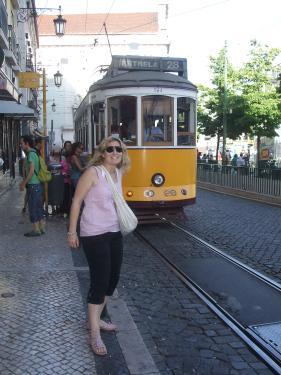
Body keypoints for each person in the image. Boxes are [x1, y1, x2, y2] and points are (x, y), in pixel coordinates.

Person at [67, 136, 130, 356]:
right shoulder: (93, 173)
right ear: (102, 152)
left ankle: (97, 319)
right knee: (100, 281)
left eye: (119, 149)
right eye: (110, 149)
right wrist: (72, 231)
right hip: (93, 234)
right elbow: (76, 201)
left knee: (112, 280)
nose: (115, 153)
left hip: (114, 232)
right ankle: (94, 332)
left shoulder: (118, 173)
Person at [19, 135, 45, 237]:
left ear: (27, 143)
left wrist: (23, 183)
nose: (21, 145)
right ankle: (41, 227)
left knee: (33, 207)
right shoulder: (34, 153)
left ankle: (36, 229)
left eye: (22, 143)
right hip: (37, 185)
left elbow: (30, 172)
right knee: (38, 207)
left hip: (33, 185)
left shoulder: (31, 154)